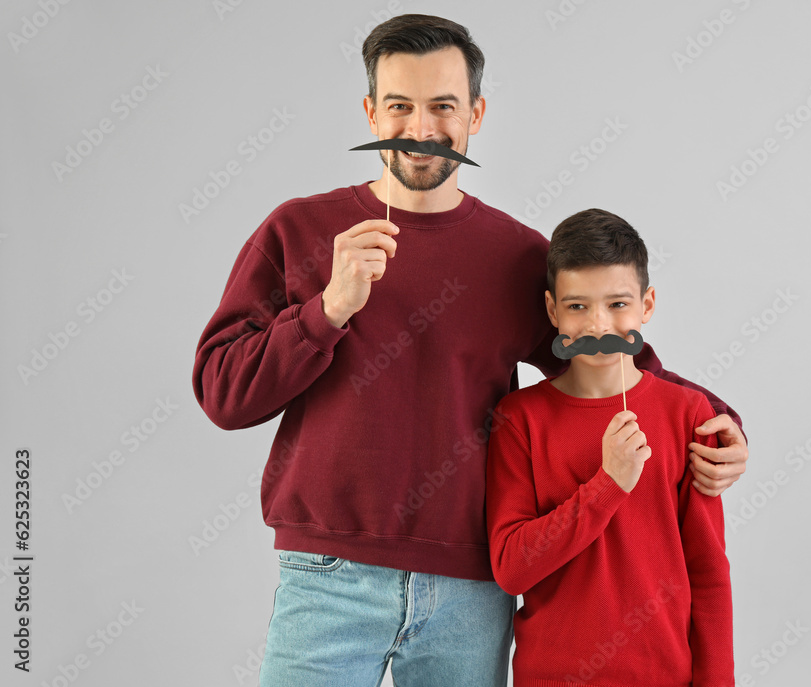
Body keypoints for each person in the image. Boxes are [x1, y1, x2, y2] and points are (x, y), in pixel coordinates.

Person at [191, 13, 746, 687]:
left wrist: (717, 422)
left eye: (443, 106)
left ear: (476, 114)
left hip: (471, 591)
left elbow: (610, 358)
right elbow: (222, 393)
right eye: (399, 105)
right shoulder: (298, 229)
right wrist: (328, 308)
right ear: (370, 111)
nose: (422, 129)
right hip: (327, 579)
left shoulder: (515, 257)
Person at [486, 208, 733, 685]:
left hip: (664, 675)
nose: (598, 324)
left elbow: (708, 572)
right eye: (578, 306)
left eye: (618, 304)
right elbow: (511, 568)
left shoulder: (690, 415)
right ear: (553, 311)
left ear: (648, 304)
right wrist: (608, 484)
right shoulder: (519, 419)